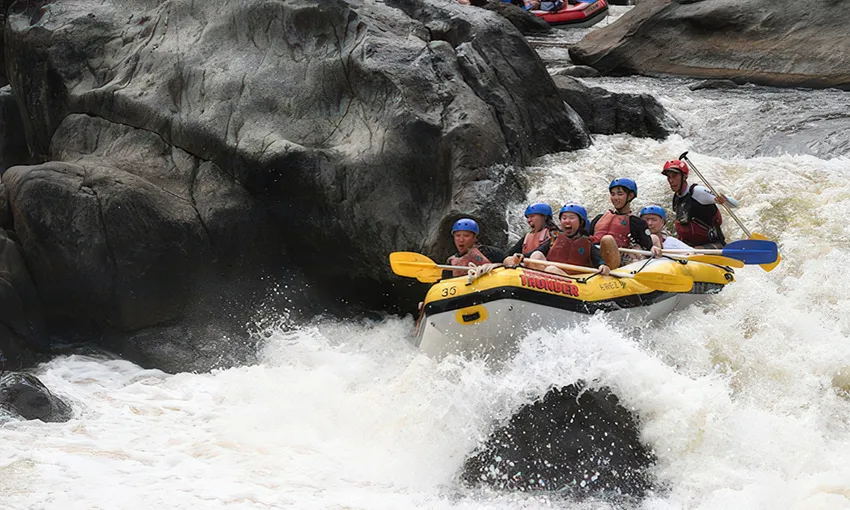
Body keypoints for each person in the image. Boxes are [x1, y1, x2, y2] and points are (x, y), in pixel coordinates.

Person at [506, 204, 610, 276]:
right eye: (564, 218)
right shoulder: (554, 237)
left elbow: (598, 259)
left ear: (581, 222)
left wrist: (602, 265)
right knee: (536, 255)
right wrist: (522, 256)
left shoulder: (586, 242)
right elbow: (539, 250)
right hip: (552, 277)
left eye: (572, 218)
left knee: (551, 269)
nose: (567, 221)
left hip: (575, 281)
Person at [588, 178, 661, 268]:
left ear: (630, 196)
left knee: (608, 240)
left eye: (620, 194)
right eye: (613, 194)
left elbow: (648, 245)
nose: (615, 198)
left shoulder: (637, 223)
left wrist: (653, 248)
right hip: (595, 258)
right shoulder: (599, 218)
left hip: (617, 262)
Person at [661, 159, 727, 248]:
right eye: (669, 177)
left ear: (684, 177)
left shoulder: (697, 191)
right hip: (691, 248)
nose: (671, 180)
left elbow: (734, 204)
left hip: (714, 246)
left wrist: (724, 199)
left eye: (674, 176)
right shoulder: (677, 198)